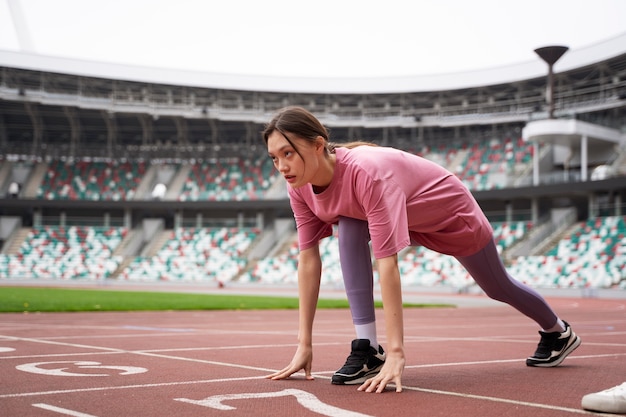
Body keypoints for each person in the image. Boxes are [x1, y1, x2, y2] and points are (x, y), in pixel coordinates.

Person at [263, 106, 581, 393]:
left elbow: (387, 263)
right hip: (413, 220)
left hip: (453, 217)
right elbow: (308, 260)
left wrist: (399, 353)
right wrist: (304, 344)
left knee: (498, 287)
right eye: (274, 158)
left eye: (288, 153)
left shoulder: (366, 173)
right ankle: (367, 348)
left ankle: (557, 331)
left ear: (318, 145)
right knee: (349, 225)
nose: (282, 166)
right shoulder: (300, 187)